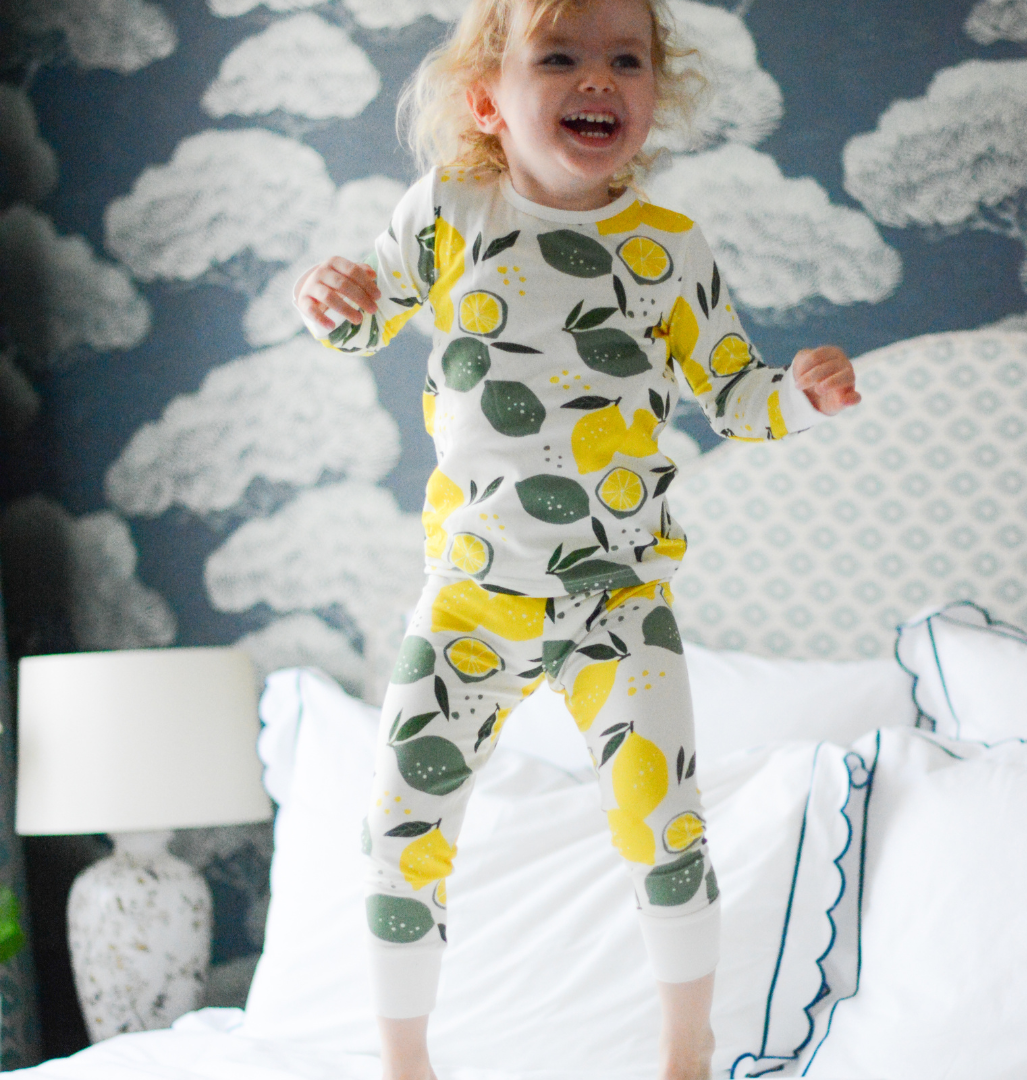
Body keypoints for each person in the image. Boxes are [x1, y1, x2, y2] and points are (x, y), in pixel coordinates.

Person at [294, 0, 859, 1076]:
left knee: (664, 824)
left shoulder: (668, 249)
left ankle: (686, 1051)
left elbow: (734, 395)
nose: (598, 78)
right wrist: (332, 298)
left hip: (616, 596)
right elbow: (368, 316)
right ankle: (404, 1062)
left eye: (626, 60)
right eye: (559, 56)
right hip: (471, 596)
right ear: (486, 102)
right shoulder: (450, 208)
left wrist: (800, 392)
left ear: (653, 93)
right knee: (401, 822)